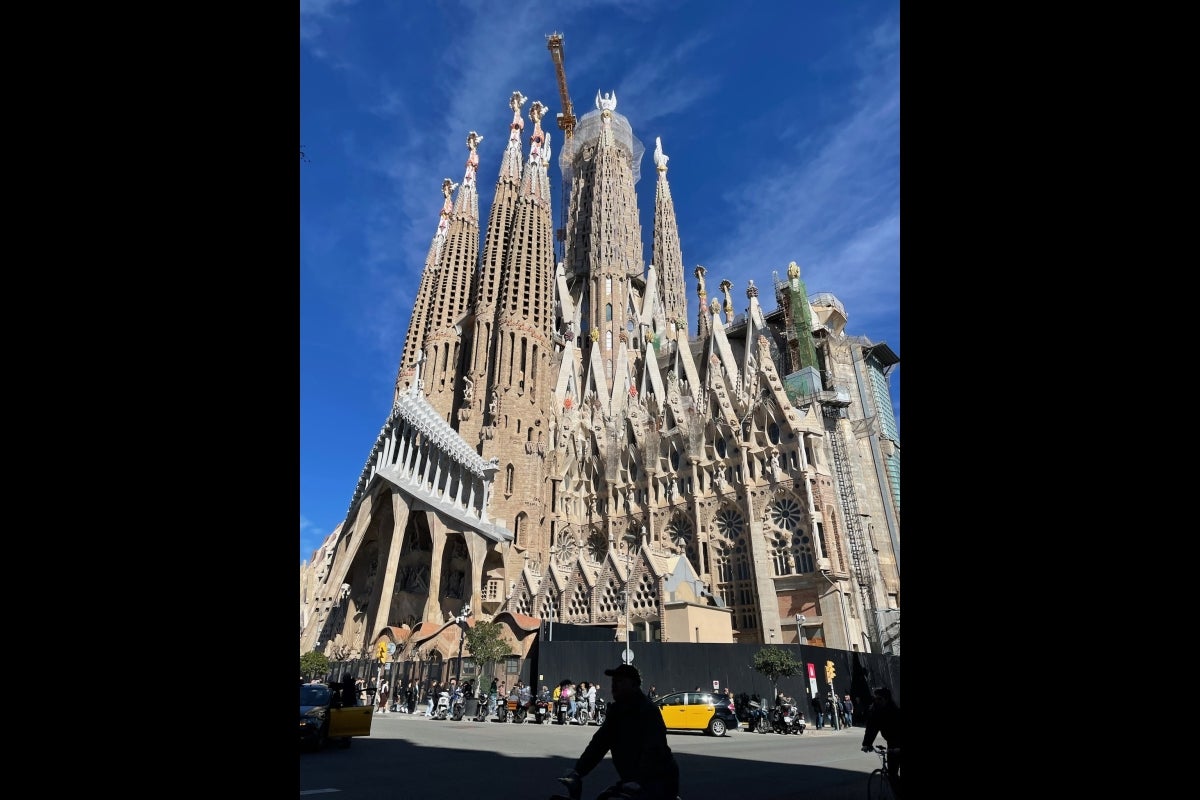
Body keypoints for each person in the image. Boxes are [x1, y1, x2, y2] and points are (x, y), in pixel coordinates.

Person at [559, 664, 679, 800]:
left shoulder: (647, 710)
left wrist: (639, 780)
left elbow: (653, 748)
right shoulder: (617, 710)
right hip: (632, 780)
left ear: (634, 685)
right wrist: (578, 771)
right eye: (613, 681)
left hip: (658, 780)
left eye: (620, 681)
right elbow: (599, 743)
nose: (614, 685)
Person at [860, 687, 901, 798]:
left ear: (886, 699)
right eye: (875, 699)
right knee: (892, 775)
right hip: (892, 743)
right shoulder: (876, 712)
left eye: (879, 699)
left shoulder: (895, 711)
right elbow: (871, 728)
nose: (877, 701)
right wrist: (867, 744)